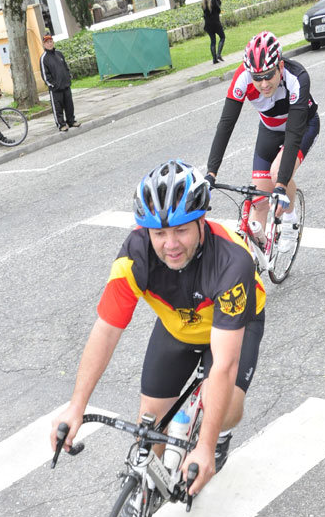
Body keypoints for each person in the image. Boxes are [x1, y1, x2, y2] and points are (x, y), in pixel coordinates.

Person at [50, 160, 265, 496]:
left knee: (223, 406)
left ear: (201, 222)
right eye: (159, 233)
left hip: (234, 325)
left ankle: (219, 433)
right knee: (149, 423)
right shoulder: (135, 256)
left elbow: (224, 363)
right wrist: (76, 406)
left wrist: (206, 446)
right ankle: (147, 491)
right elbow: (106, 330)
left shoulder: (231, 262)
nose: (170, 244)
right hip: (177, 325)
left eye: (181, 230)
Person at [205, 31, 319, 253]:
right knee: (258, 201)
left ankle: (290, 220)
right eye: (257, 78)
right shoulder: (242, 77)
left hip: (301, 127)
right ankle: (255, 261)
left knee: (277, 174)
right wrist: (211, 173)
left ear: (280, 67)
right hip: (269, 129)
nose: (264, 84)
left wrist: (281, 185)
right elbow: (226, 124)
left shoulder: (297, 77)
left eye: (268, 76)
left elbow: (293, 134)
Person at [39, 34, 80, 132]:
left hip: (66, 86)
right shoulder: (44, 58)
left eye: (51, 41)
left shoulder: (59, 54)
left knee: (69, 105)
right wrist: (53, 85)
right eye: (47, 42)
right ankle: (61, 124)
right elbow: (45, 75)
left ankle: (71, 121)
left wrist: (68, 78)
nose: (50, 44)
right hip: (56, 89)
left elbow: (65, 67)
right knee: (58, 108)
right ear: (44, 44)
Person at [202, 0, 225, 65]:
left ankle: (214, 59)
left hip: (208, 25)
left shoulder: (203, 2)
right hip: (216, 23)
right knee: (222, 37)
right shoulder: (214, 0)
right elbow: (218, 9)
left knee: (213, 41)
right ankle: (218, 54)